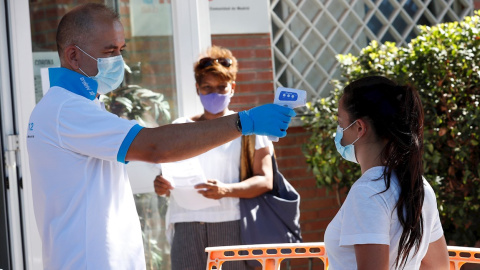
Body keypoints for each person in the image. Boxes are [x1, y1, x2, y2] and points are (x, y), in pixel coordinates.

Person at [26, 4, 295, 270]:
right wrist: (244, 122)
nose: (119, 61)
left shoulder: (81, 105)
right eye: (109, 51)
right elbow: (155, 146)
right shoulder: (67, 110)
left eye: (121, 50)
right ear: (73, 56)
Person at [153, 45, 273, 270]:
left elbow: (266, 180)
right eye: (207, 87)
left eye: (221, 87)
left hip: (232, 225)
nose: (214, 94)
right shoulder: (180, 128)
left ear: (233, 88)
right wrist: (161, 186)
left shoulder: (249, 129)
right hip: (185, 226)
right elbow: (166, 178)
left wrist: (226, 190)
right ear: (197, 88)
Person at [324, 76, 449, 270]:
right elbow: (438, 266)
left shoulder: (367, 192)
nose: (339, 131)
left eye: (341, 122)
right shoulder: (420, 185)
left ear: (359, 127)